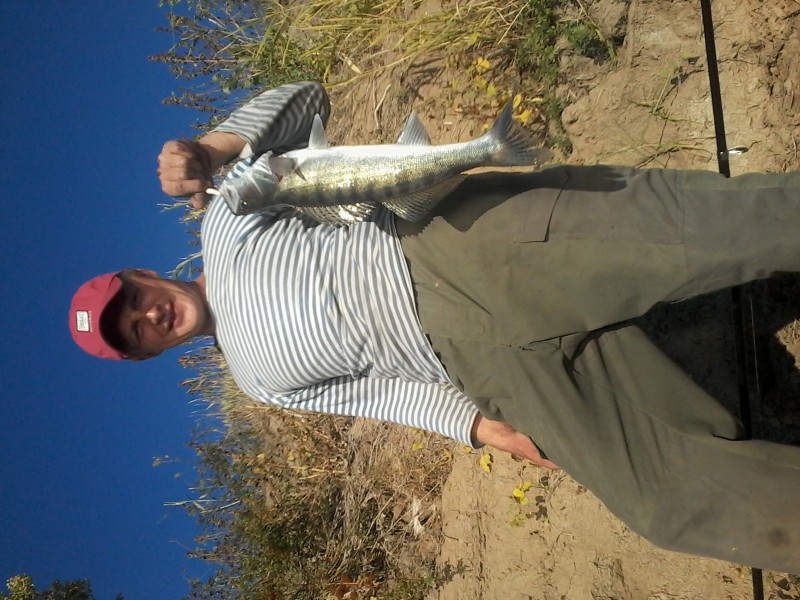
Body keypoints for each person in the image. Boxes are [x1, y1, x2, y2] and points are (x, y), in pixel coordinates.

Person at [69, 81, 800, 573]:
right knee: (668, 502)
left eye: (133, 301)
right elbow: (382, 394)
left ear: (144, 274)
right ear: (150, 353)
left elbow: (304, 97)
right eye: (134, 333)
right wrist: (483, 429)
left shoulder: (229, 218)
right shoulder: (259, 381)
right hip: (479, 368)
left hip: (462, 249)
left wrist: (214, 147)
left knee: (717, 232)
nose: (146, 317)